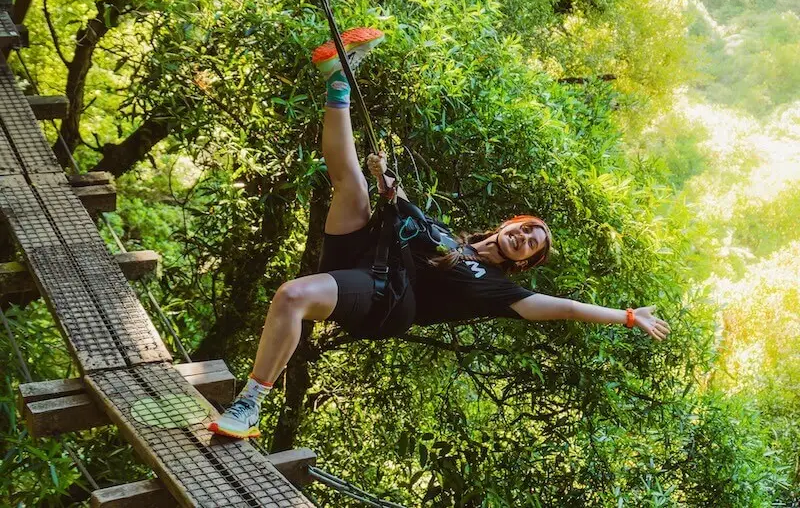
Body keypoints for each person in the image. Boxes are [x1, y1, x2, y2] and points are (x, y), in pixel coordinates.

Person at [209, 28, 671, 439]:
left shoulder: (496, 290)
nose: (526, 238)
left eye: (532, 244)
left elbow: (566, 308)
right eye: (526, 229)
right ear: (510, 223)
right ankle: (337, 82)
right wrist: (391, 186)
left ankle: (250, 404)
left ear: (523, 263)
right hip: (365, 260)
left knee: (291, 296)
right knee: (353, 186)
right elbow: (415, 225)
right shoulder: (450, 237)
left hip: (385, 299)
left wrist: (627, 316)